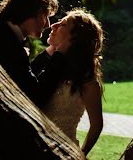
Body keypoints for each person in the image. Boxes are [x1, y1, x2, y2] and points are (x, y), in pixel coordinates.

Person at [0, 0, 69, 110]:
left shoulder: (1, 31)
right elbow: (36, 96)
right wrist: (60, 55)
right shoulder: (6, 43)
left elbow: (24, 75)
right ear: (31, 11)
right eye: (45, 16)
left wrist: (50, 52)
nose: (48, 24)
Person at [33, 8, 105, 157]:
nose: (53, 26)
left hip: (63, 153)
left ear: (75, 37)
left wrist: (81, 154)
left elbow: (96, 125)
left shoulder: (87, 81)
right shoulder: (48, 64)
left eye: (63, 24)